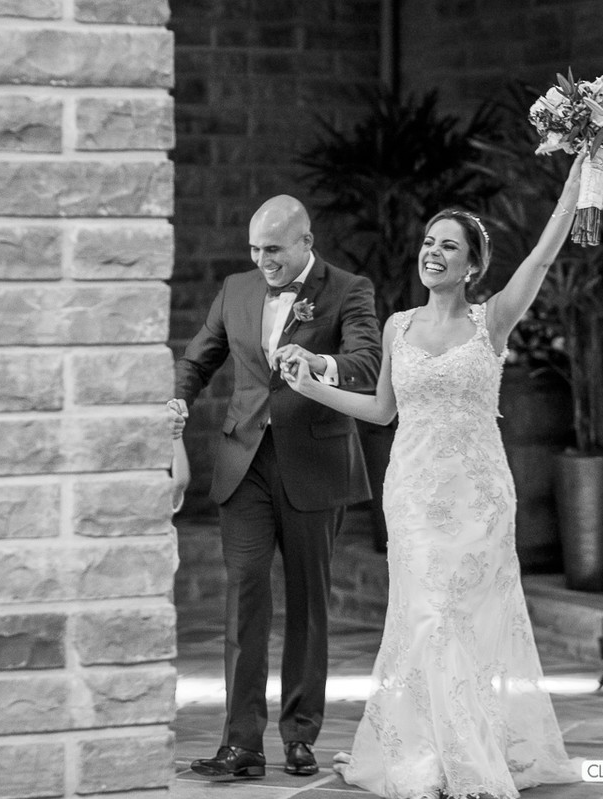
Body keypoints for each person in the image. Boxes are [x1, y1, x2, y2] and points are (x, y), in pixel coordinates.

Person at [276, 152, 586, 799]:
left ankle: (467, 748)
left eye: (449, 246)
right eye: (428, 242)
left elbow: (544, 256)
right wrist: (314, 387)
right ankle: (427, 749)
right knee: (426, 617)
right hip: (414, 495)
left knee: (463, 621)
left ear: (473, 265)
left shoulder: (490, 321)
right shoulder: (398, 326)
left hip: (477, 496)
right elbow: (384, 409)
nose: (432, 252)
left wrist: (580, 179)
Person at [170, 195, 382, 780]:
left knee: (309, 605)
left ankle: (299, 736)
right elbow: (199, 359)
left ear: (306, 243)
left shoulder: (349, 288)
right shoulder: (237, 289)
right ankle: (241, 745)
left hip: (315, 463)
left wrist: (320, 364)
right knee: (244, 598)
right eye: (255, 249)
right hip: (245, 463)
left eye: (273, 250)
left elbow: (367, 361)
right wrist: (176, 403)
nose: (262, 260)